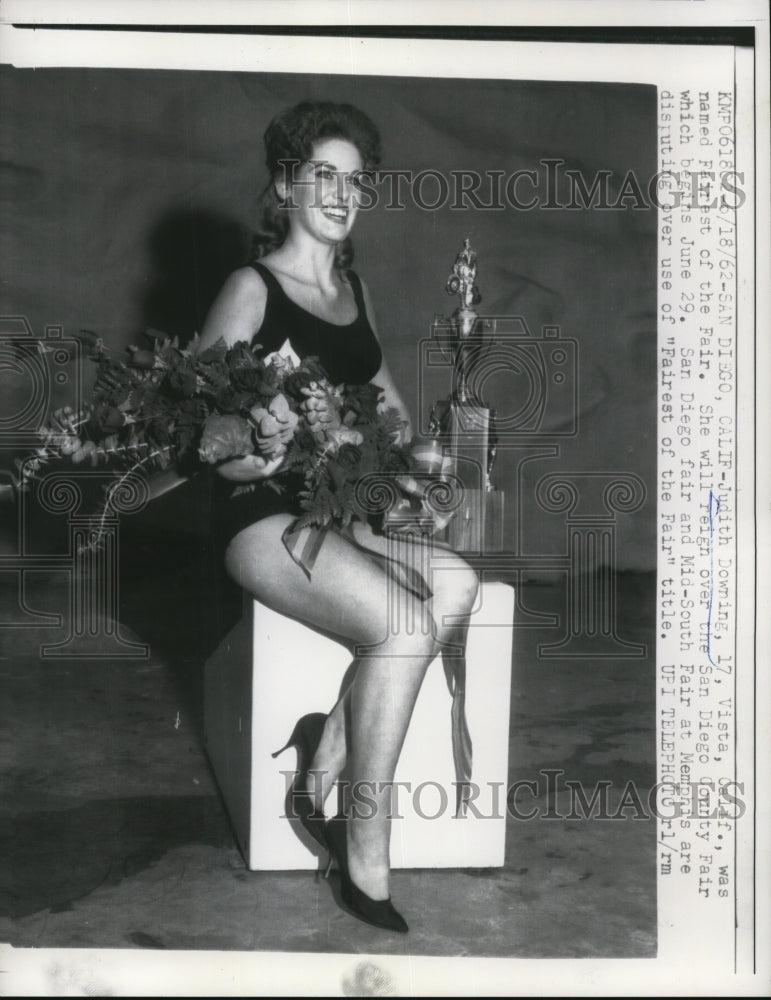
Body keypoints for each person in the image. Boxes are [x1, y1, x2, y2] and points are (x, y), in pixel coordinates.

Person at [198, 101, 478, 934]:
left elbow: (387, 411)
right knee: (403, 625)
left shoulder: (353, 291)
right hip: (260, 519)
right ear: (285, 185)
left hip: (343, 512)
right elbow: (197, 429)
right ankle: (363, 846)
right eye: (322, 175)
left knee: (457, 585)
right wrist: (251, 454)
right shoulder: (250, 288)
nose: (340, 194)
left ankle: (322, 756)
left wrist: (424, 472)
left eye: (354, 181)